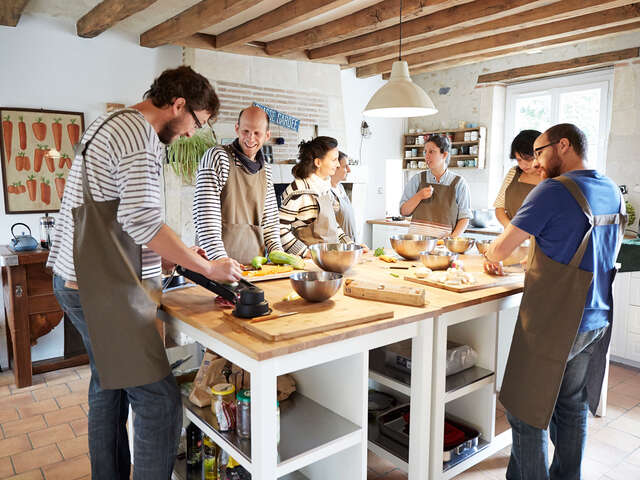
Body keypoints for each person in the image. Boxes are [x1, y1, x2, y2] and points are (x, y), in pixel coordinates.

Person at [47, 66, 243, 480]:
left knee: (109, 387)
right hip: (103, 289)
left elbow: (119, 214)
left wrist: (168, 256)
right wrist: (207, 265)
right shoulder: (141, 139)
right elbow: (144, 221)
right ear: (177, 105)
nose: (191, 134)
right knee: (159, 402)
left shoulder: (113, 122)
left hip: (80, 278)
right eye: (196, 123)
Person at [483, 124, 626, 480]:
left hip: (556, 321)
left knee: (524, 411)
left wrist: (490, 252)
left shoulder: (553, 190)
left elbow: (501, 248)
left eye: (540, 152)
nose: (536, 164)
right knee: (570, 405)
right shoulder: (611, 189)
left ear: (563, 145)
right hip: (597, 316)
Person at [193, 106, 283, 265]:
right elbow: (205, 220)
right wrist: (221, 262)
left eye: (257, 133)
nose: (250, 138)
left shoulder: (266, 170)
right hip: (215, 265)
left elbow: (270, 223)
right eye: (245, 131)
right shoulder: (217, 157)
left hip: (254, 267)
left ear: (267, 136)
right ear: (237, 129)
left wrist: (279, 257)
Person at [280, 137, 362, 256]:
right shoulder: (297, 191)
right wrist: (306, 253)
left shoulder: (325, 188)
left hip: (329, 259)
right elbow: (280, 229)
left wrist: (351, 247)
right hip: (308, 263)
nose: (338, 164)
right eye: (334, 160)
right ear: (318, 162)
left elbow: (333, 226)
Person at [399, 134, 471, 238]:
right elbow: (404, 211)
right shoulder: (417, 179)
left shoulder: (459, 183)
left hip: (442, 246)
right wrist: (419, 196)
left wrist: (452, 238)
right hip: (416, 244)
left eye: (431, 152)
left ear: (444, 155)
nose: (426, 156)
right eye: (425, 152)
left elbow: (465, 218)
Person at [494, 129, 543, 227]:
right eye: (519, 160)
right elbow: (499, 207)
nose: (523, 165)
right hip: (513, 237)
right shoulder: (513, 172)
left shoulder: (553, 177)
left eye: (528, 159)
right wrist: (511, 230)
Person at [330, 151, 357, 241]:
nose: (349, 170)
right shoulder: (327, 192)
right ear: (335, 167)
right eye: (345, 166)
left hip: (350, 242)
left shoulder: (340, 187)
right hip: (338, 246)